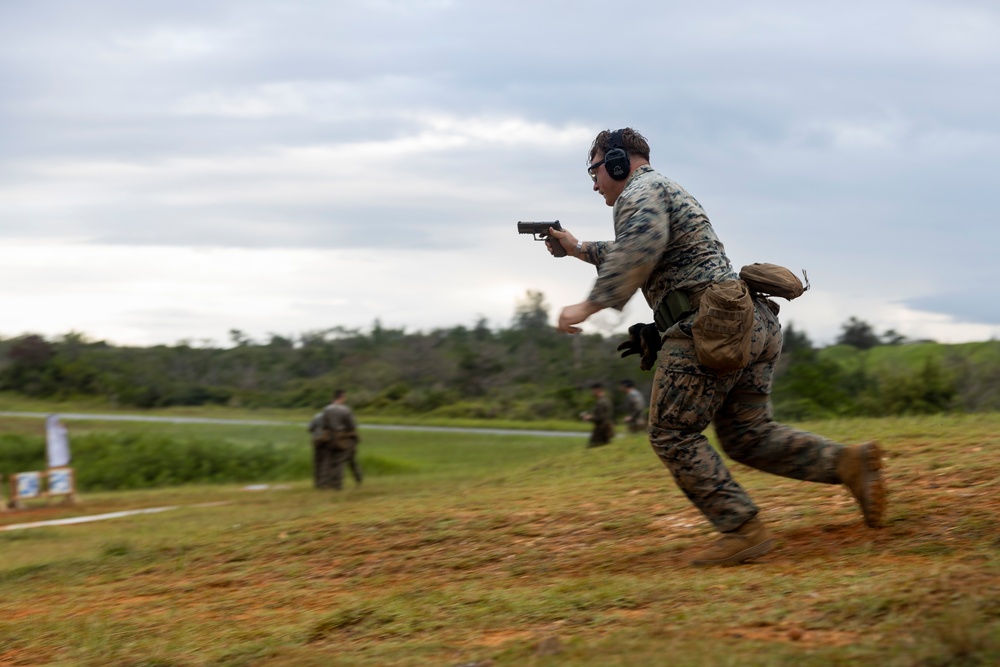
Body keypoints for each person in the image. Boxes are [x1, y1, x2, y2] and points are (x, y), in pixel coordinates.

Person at [542, 127, 886, 567]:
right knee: (747, 435)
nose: (593, 183)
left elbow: (640, 249)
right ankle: (848, 464)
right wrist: (576, 248)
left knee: (671, 433)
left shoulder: (638, 193)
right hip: (749, 324)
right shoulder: (661, 190)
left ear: (615, 162)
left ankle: (743, 530)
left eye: (593, 171)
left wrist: (589, 305)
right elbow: (639, 246)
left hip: (709, 328)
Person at [307, 390, 363, 490]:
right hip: (341, 437)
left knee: (326, 461)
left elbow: (324, 425)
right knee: (340, 461)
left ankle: (323, 484)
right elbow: (351, 425)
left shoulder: (326, 409)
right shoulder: (345, 410)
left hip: (328, 437)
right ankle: (337, 484)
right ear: (342, 397)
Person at [581, 382, 614, 448]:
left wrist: (589, 417)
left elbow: (600, 418)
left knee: (592, 448)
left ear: (597, 390)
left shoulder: (601, 402)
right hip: (605, 428)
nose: (592, 392)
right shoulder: (606, 400)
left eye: (592, 390)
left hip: (601, 430)